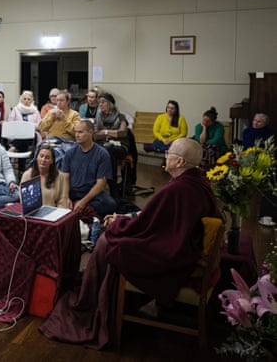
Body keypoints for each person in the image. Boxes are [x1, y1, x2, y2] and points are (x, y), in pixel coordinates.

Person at [40, 138, 221, 349]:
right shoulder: (195, 181)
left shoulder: (180, 189)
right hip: (180, 245)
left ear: (180, 162)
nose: (166, 155)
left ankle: (92, 303)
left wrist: (120, 223)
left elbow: (149, 225)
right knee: (113, 235)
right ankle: (101, 295)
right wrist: (126, 218)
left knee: (108, 242)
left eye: (170, 152)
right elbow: (155, 219)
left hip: (173, 255)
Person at [61, 120, 116, 217]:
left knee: (110, 204)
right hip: (73, 191)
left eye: (80, 132)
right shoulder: (70, 153)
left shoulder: (102, 154)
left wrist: (83, 202)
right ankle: (82, 210)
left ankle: (80, 208)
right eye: (76, 132)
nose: (77, 135)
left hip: (92, 194)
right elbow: (65, 178)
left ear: (90, 132)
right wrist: (66, 197)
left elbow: (100, 184)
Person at [94, 92, 130, 198]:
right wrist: (113, 133)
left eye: (103, 102)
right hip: (104, 145)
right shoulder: (98, 117)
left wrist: (104, 132)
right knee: (103, 150)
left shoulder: (120, 117)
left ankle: (112, 184)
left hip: (121, 146)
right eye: (99, 102)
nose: (100, 105)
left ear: (110, 103)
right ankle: (104, 183)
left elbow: (123, 133)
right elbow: (95, 135)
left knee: (108, 151)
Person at [7, 90, 42, 170]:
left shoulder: (35, 111)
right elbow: (10, 122)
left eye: (28, 99)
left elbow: (40, 125)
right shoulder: (16, 110)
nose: (26, 101)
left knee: (25, 137)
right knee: (23, 143)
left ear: (32, 100)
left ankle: (13, 148)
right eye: (24, 99)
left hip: (32, 136)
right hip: (17, 135)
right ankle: (21, 170)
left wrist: (27, 127)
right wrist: (20, 127)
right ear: (21, 100)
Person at [193, 106, 227, 171]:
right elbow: (199, 140)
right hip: (204, 148)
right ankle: (203, 170)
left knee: (210, 149)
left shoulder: (219, 127)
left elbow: (216, 141)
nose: (204, 122)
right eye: (203, 120)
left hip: (218, 148)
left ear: (213, 122)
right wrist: (204, 128)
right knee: (203, 149)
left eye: (207, 121)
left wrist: (204, 143)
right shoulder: (198, 126)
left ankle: (210, 170)